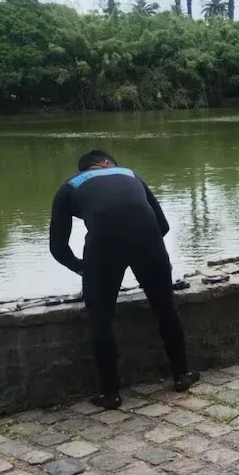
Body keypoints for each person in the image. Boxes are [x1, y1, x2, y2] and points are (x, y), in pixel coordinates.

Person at [49, 150, 198, 409]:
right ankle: (182, 375)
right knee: (165, 309)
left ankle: (111, 394)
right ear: (107, 163)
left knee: (100, 321)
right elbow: (162, 226)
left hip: (103, 247)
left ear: (85, 169)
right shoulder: (131, 174)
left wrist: (84, 269)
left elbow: (58, 248)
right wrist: (142, 252)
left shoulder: (69, 187)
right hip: (147, 239)